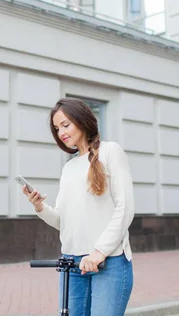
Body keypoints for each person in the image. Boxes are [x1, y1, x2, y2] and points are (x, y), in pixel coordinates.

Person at [23, 97, 135, 316]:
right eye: (57, 128)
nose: (61, 132)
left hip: (109, 262)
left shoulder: (111, 152)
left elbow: (125, 208)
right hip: (72, 265)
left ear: (82, 120)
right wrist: (40, 207)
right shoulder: (69, 168)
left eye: (65, 124)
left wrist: (98, 253)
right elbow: (65, 222)